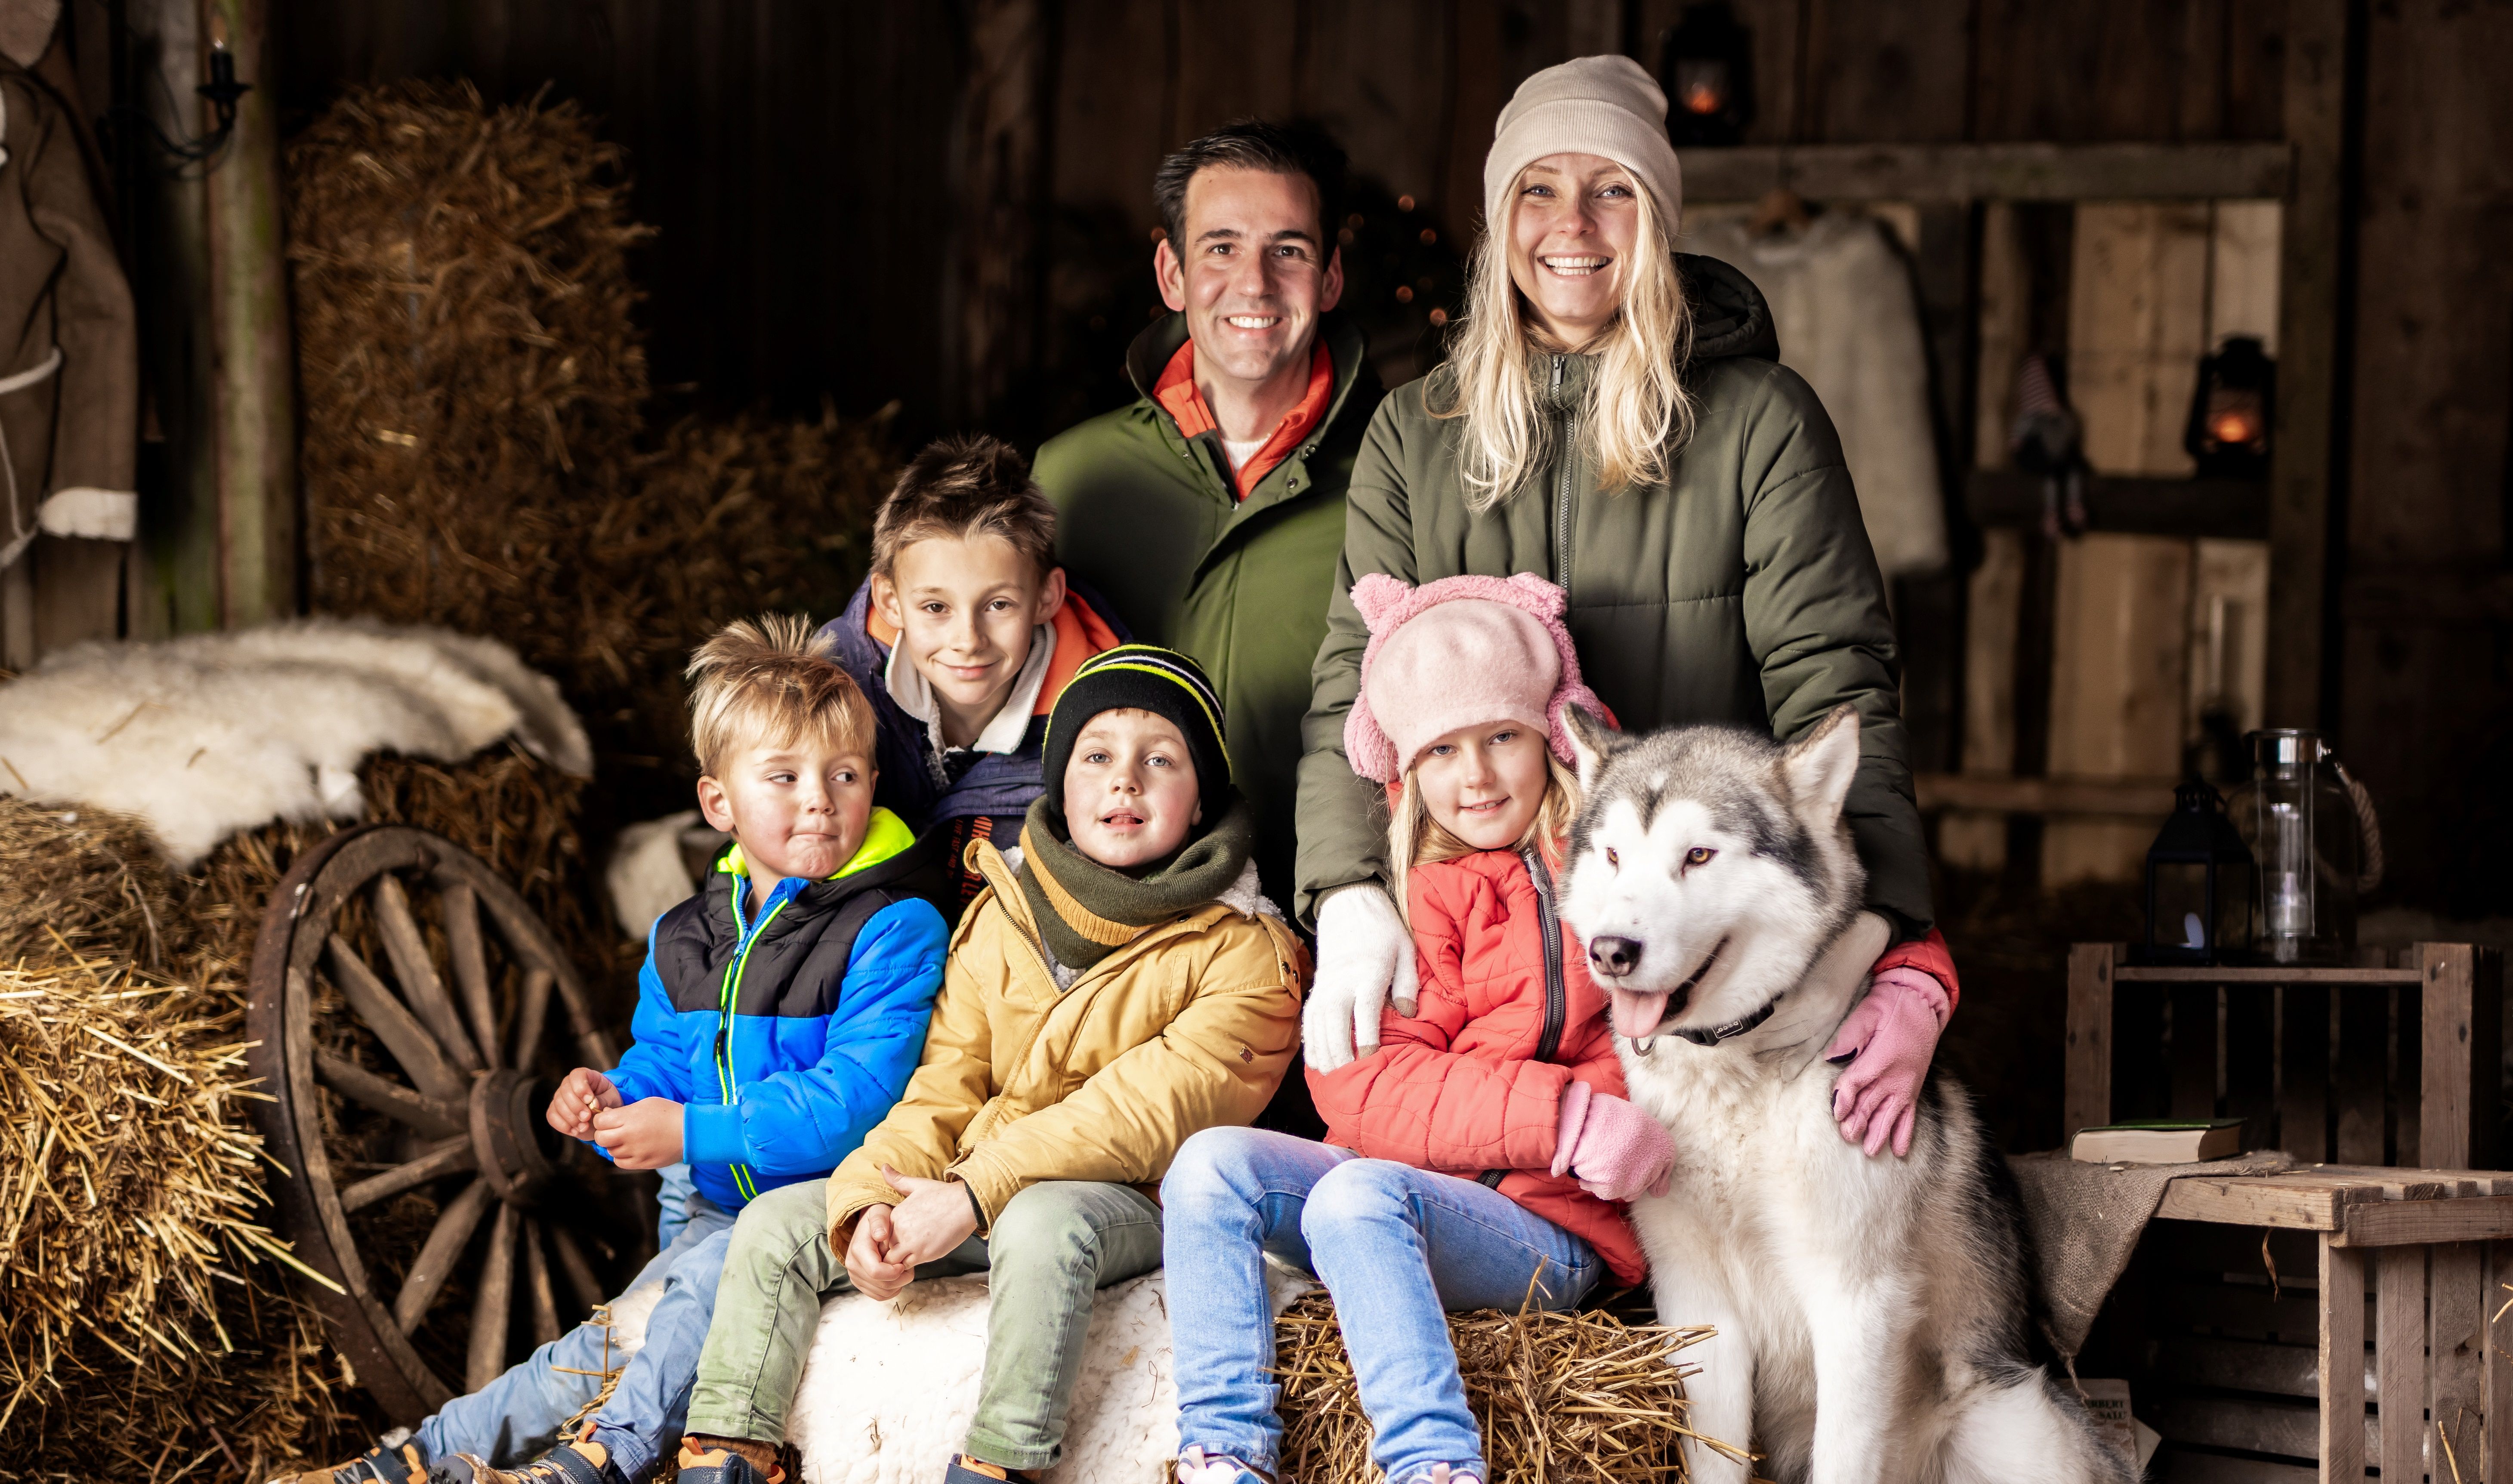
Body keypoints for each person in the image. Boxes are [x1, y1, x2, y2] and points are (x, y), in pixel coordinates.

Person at [1294, 56, 1959, 1157]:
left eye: (1612, 189)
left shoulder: (1761, 424)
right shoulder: (1416, 435)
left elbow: (1837, 685)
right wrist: (1348, 894)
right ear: (1501, 215)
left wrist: (1893, 941)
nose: (1574, 224)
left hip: (1691, 941)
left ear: (1656, 217)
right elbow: (1348, 695)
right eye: (1539, 188)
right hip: (1492, 966)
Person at [667, 646, 1305, 1484]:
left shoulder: (1247, 950)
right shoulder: (1001, 914)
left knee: (1045, 1222)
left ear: (1201, 799)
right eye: (1098, 756)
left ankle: (1000, 1460)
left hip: (1126, 1200)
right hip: (971, 1188)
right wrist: (869, 1201)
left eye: (1161, 759)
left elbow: (1144, 1111)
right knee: (781, 1223)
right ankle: (726, 1453)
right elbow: (942, 1083)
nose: (1125, 782)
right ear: (1061, 783)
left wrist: (972, 1192)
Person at [413, 617, 951, 1484]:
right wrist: (607, 1098)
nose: (819, 796)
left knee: (695, 1284)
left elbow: (855, 1100)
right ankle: (425, 1450)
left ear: (873, 782)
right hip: (711, 1209)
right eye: (784, 776)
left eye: (843, 774)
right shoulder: (685, 936)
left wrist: (692, 1132)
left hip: (825, 1205)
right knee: (601, 1338)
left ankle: (604, 1458)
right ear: (718, 802)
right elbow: (665, 1062)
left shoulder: (891, 925)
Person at [1164, 574, 1667, 1484]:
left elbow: (1667, 1042)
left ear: (1552, 734)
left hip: (1549, 1228)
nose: (1473, 776)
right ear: (1404, 768)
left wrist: (1583, 1124)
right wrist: (1555, 1114)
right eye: (1441, 750)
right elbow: (1357, 1077)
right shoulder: (1417, 893)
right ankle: (1225, 1450)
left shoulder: (1617, 876)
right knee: (1209, 1164)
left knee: (1356, 1195)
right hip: (1416, 1196)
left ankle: (1430, 1462)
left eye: (1500, 738)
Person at [1033, 119, 1382, 914]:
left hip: (1332, 916)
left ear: (1329, 278)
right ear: (1171, 272)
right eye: (1221, 247)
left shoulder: (1393, 475)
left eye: (1288, 250)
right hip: (1109, 927)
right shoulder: (1071, 475)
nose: (1254, 283)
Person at [819, 434, 1126, 915]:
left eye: (998, 604)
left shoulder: (1114, 729)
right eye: (936, 606)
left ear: (1047, 597)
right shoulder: (825, 690)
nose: (968, 639)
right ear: (890, 602)